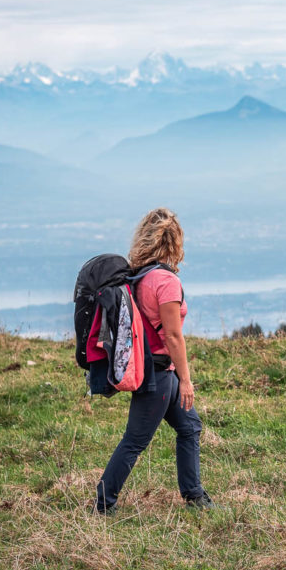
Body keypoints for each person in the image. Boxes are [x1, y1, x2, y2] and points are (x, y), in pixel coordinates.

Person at [94, 208, 214, 513]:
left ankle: (195, 496)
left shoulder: (137, 276)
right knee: (135, 441)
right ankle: (103, 503)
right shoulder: (166, 282)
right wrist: (186, 380)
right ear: (174, 242)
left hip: (156, 370)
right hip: (158, 374)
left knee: (189, 426)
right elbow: (173, 336)